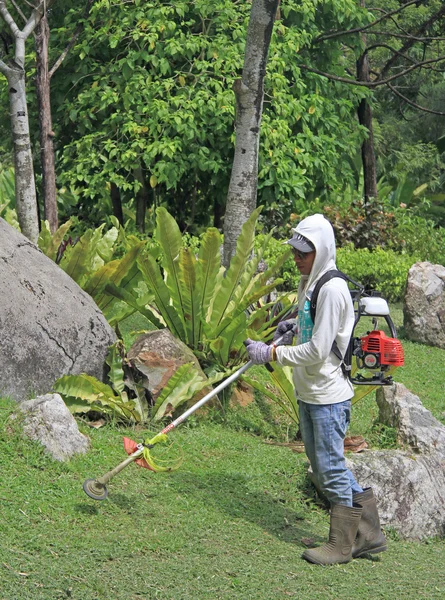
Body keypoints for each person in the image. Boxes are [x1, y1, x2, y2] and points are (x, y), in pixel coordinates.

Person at [244, 213, 387, 565]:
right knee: (325, 465)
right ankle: (368, 535)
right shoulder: (311, 280)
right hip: (310, 391)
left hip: (327, 396)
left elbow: (319, 351)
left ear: (321, 251)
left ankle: (340, 546)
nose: (296, 258)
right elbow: (317, 330)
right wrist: (296, 324)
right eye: (294, 252)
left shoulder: (332, 288)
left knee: (330, 467)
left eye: (302, 253)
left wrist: (272, 352)